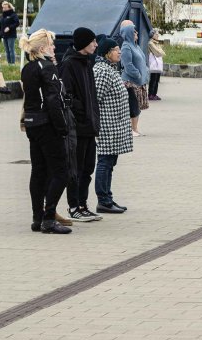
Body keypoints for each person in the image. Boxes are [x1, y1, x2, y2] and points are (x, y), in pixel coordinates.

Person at [20, 29, 72, 234]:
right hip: (47, 123)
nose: (54, 48)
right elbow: (53, 100)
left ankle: (37, 217)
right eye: (51, 44)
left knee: (38, 171)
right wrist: (62, 127)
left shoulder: (28, 68)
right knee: (61, 171)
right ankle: (49, 218)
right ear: (42, 48)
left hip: (32, 123)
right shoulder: (47, 67)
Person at [59, 27, 102, 223]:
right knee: (75, 169)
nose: (96, 45)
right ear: (84, 43)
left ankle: (83, 204)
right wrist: (81, 114)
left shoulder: (87, 63)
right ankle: (73, 205)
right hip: (78, 127)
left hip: (89, 126)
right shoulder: (69, 64)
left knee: (87, 168)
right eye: (92, 41)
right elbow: (67, 95)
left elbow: (91, 95)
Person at [92, 38, 133, 214]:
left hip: (114, 126)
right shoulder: (102, 71)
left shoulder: (110, 69)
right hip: (107, 126)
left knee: (110, 162)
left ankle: (108, 197)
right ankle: (103, 200)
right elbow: (96, 98)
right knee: (105, 162)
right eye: (116, 49)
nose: (119, 52)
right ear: (107, 52)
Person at [119, 22, 149, 137]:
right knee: (133, 106)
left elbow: (142, 60)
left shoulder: (135, 46)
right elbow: (128, 65)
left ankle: (135, 129)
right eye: (134, 31)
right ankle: (131, 129)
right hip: (130, 82)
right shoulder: (126, 46)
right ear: (129, 33)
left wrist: (145, 73)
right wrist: (137, 74)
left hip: (139, 82)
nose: (136, 33)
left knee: (137, 106)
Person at [147, 30, 165, 101]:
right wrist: (160, 52)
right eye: (156, 34)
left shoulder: (157, 43)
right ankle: (150, 94)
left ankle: (154, 94)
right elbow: (157, 52)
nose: (158, 35)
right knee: (153, 79)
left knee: (157, 80)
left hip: (157, 65)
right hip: (154, 64)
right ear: (152, 35)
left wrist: (160, 52)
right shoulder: (150, 43)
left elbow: (162, 52)